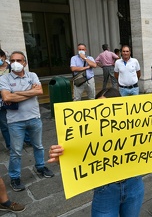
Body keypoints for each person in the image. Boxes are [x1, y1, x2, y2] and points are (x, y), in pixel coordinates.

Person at [48, 88, 144, 217]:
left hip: (134, 185)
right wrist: (63, 158)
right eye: (97, 107)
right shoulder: (88, 133)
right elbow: (80, 154)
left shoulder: (134, 126)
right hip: (106, 190)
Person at [0, 51, 54, 191]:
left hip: (34, 118)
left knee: (39, 146)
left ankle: (41, 167)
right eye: (12, 60)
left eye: (19, 60)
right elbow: (6, 98)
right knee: (16, 151)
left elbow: (39, 92)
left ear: (25, 62)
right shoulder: (4, 79)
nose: (15, 63)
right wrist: (30, 92)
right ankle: (14, 177)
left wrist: (16, 93)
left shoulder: (32, 75)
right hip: (15, 121)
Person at [0, 49, 11, 149]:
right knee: (4, 124)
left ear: (3, 57)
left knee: (21, 119)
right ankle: (9, 144)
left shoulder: (12, 67)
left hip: (13, 98)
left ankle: (27, 139)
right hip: (0, 101)